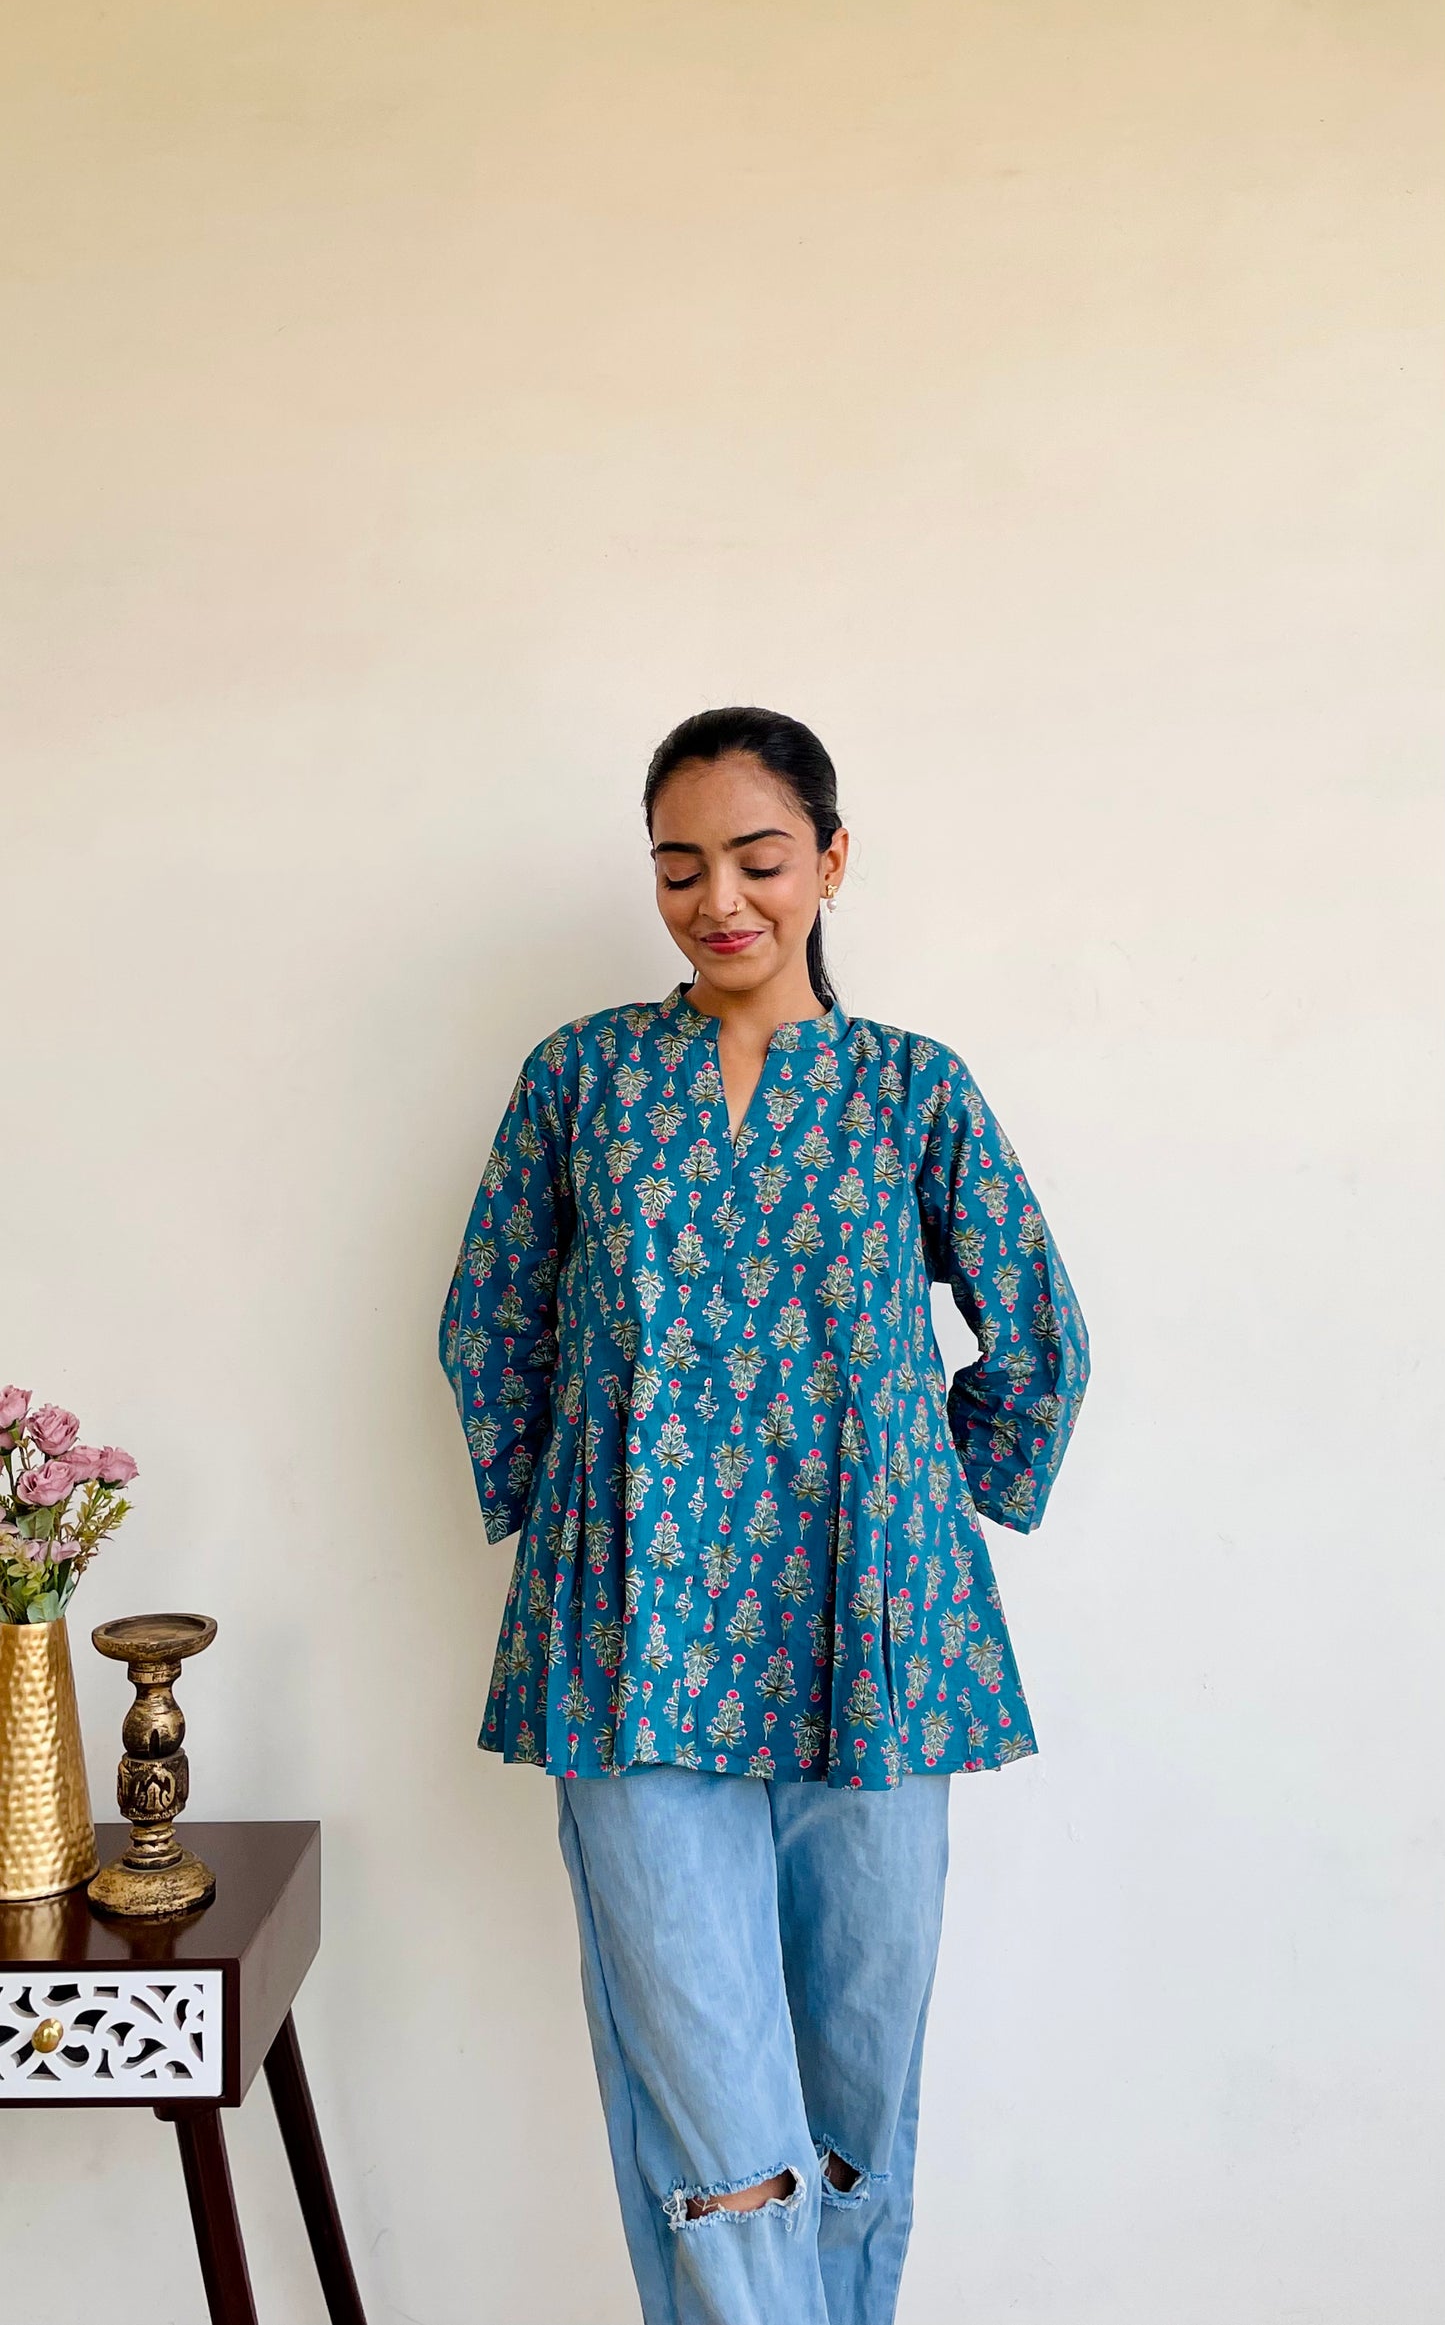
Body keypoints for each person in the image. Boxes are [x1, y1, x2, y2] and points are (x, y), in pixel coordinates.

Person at [439, 705, 1090, 2325]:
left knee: (855, 2102)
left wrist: (924, 1503)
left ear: (830, 860)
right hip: (633, 1644)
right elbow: (489, 1318)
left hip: (872, 1641)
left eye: (755, 857)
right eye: (678, 864)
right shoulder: (582, 1075)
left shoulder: (906, 1088)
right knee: (715, 2125)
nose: (716, 897)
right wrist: (574, 1521)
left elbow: (1039, 1340)